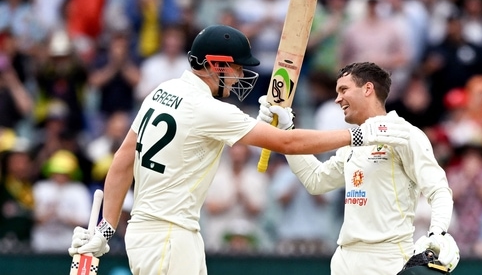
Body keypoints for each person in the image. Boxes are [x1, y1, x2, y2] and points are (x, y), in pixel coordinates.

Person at [67, 25, 410, 275]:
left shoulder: (163, 90)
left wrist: (106, 230)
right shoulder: (209, 110)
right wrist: (357, 136)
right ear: (216, 64)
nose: (240, 76)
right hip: (171, 237)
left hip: (147, 234)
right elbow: (287, 143)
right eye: (236, 68)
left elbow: (124, 159)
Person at [257, 62, 460, 275]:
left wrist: (437, 232)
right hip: (345, 259)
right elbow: (316, 181)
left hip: (386, 260)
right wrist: (286, 129)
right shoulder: (354, 141)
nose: (337, 99)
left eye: (344, 90)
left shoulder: (404, 133)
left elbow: (438, 190)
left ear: (368, 89)